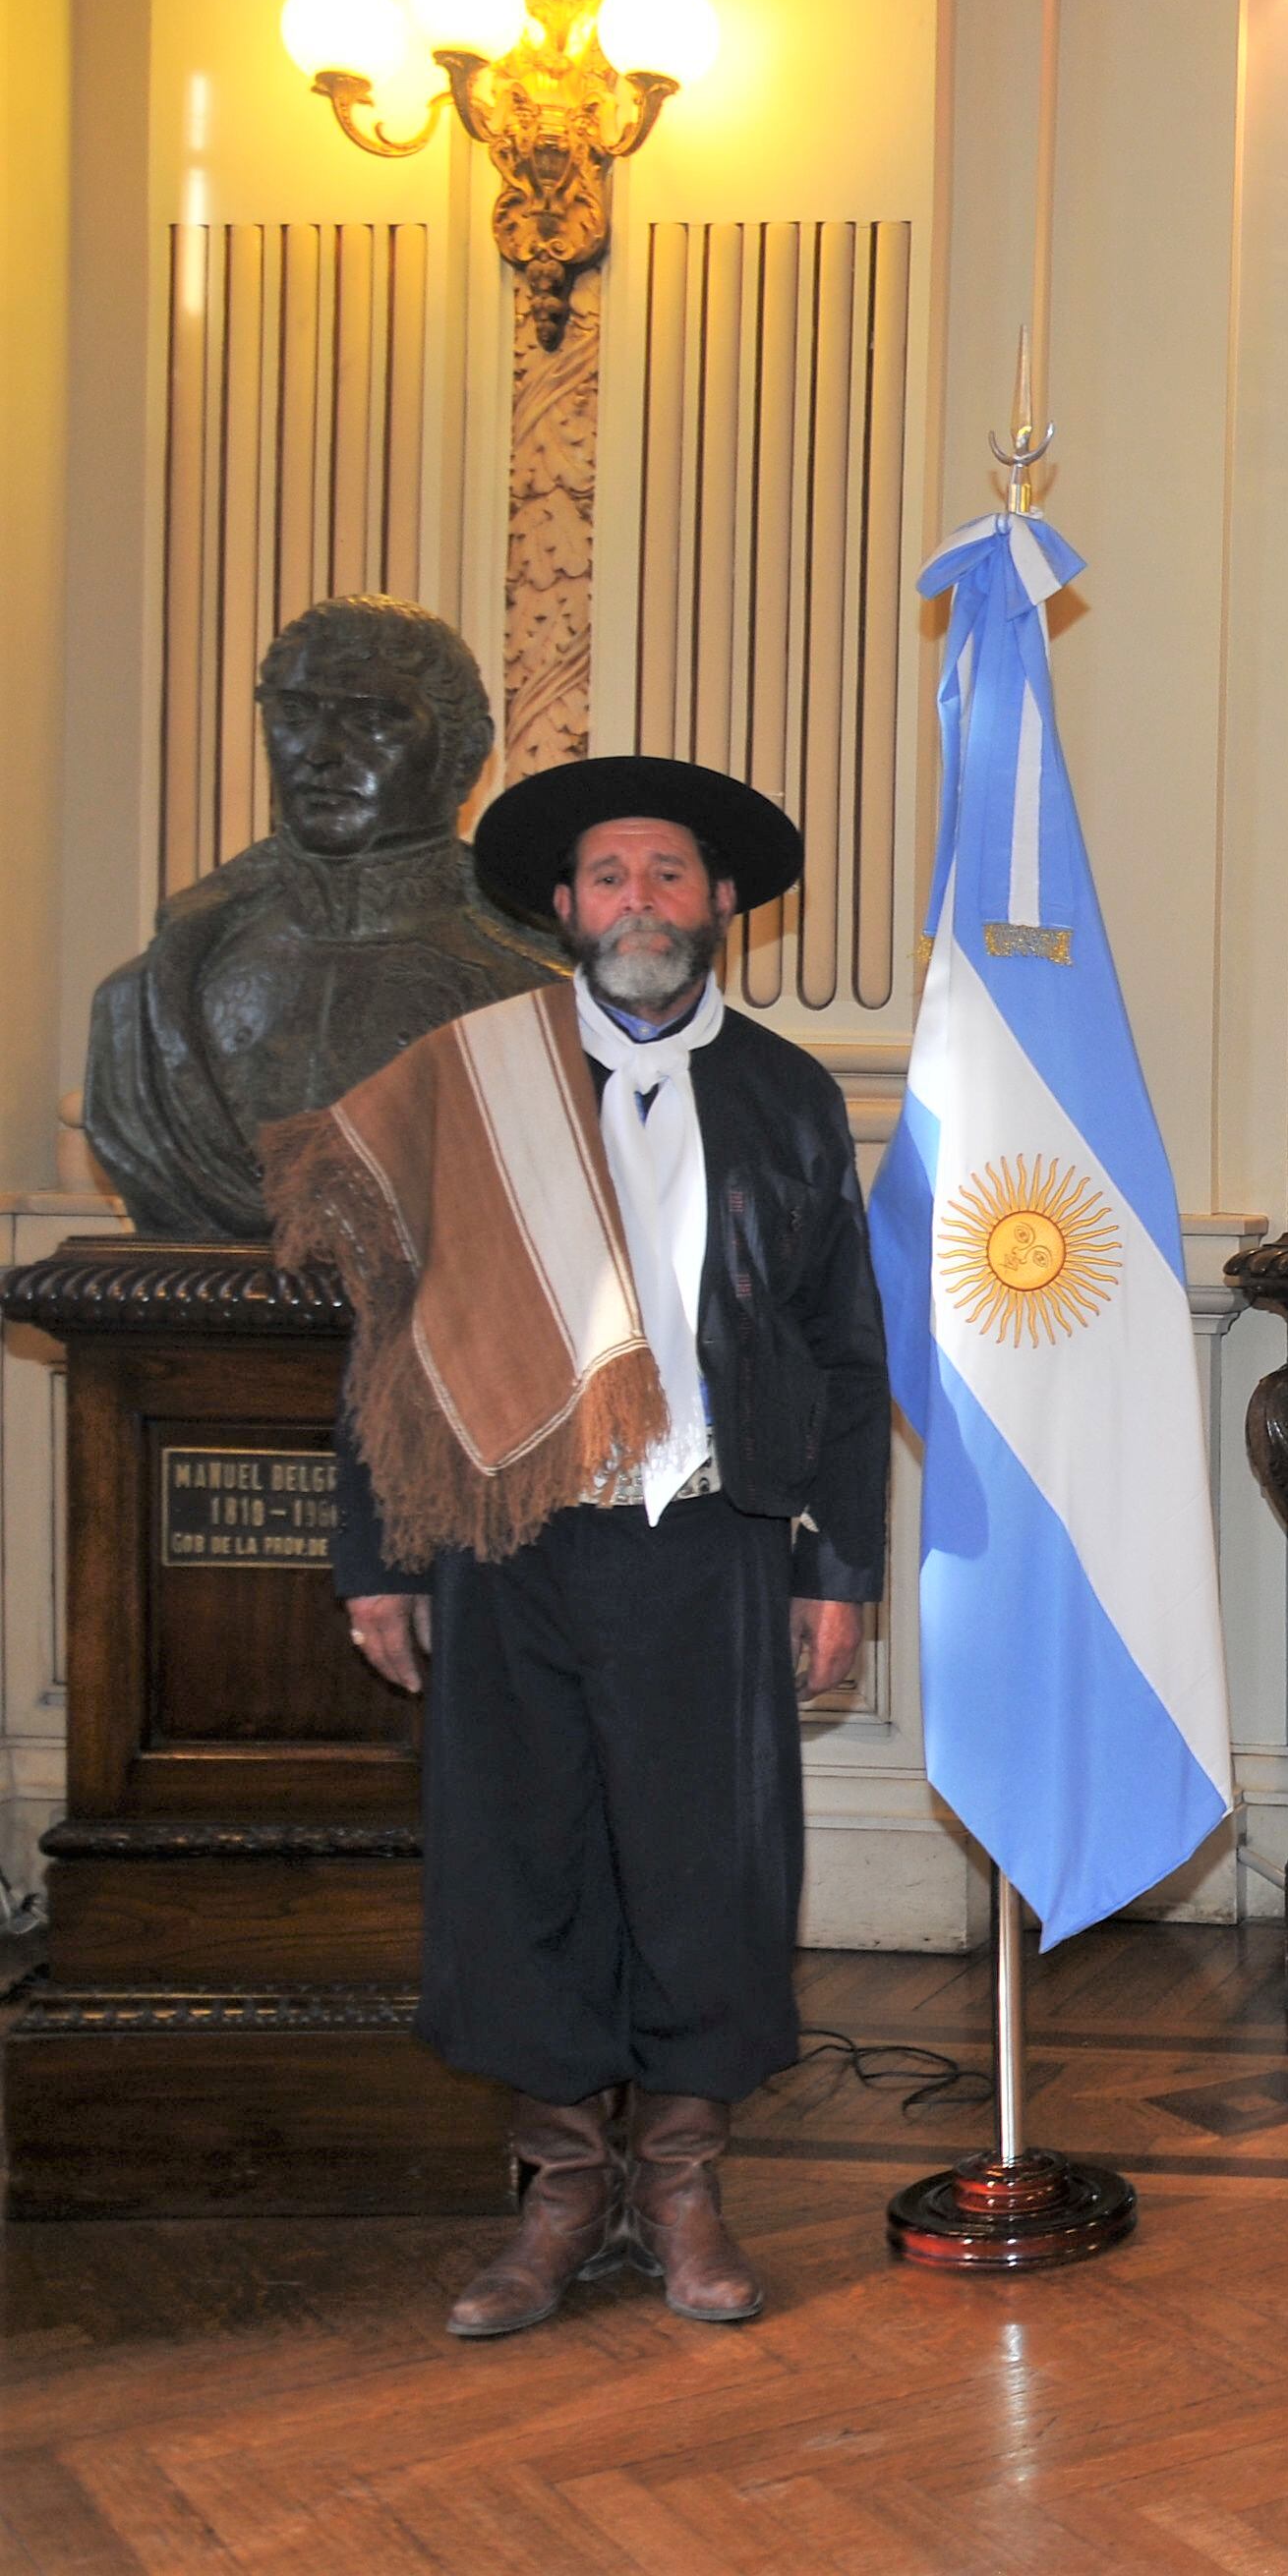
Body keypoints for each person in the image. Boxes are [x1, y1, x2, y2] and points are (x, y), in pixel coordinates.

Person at [262, 757, 889, 2340]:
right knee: (521, 1862)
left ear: (722, 905)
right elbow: (390, 1344)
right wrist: (375, 1555)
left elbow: (844, 1345)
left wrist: (841, 1568)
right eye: (609, 877)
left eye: (668, 876)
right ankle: (555, 2191)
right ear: (563, 907)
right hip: (511, 1540)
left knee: (705, 1874)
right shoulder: (470, 1078)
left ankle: (679, 2185)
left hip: (711, 1544)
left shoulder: (787, 1095)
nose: (639, 904)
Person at [84, 597, 560, 1237]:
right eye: (296, 714)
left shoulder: (543, 996)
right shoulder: (139, 1006)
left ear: (466, 754)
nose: (321, 751)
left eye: (373, 721)